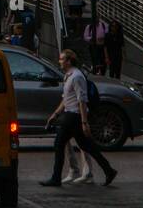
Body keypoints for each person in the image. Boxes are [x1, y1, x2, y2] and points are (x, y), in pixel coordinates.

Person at [40, 49, 117, 188]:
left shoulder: (77, 77)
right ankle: (109, 171)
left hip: (74, 116)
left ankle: (56, 178)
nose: (60, 62)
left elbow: (82, 100)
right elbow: (66, 99)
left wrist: (84, 122)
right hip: (70, 114)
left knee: (59, 144)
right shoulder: (68, 76)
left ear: (69, 61)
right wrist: (55, 114)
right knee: (87, 146)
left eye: (62, 59)